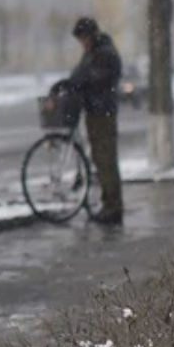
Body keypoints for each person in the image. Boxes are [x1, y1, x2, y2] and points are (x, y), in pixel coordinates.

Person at [51, 17, 124, 226]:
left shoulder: (105, 54)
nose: (81, 43)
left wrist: (73, 84)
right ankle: (108, 204)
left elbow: (92, 78)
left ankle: (113, 208)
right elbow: (80, 75)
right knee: (101, 160)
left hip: (103, 113)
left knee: (106, 160)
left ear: (91, 35)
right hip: (94, 111)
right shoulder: (93, 52)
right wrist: (66, 84)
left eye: (83, 38)